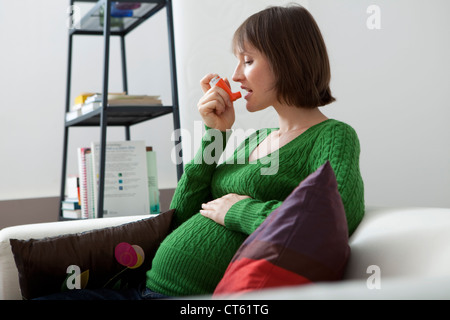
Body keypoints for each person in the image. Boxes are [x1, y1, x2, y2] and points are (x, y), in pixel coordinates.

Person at [37, 4, 364, 300]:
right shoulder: (256, 138)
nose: (235, 75)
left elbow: (335, 221)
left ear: (287, 60)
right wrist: (215, 135)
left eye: (248, 61)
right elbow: (180, 215)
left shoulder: (332, 135)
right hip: (142, 287)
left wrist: (239, 211)